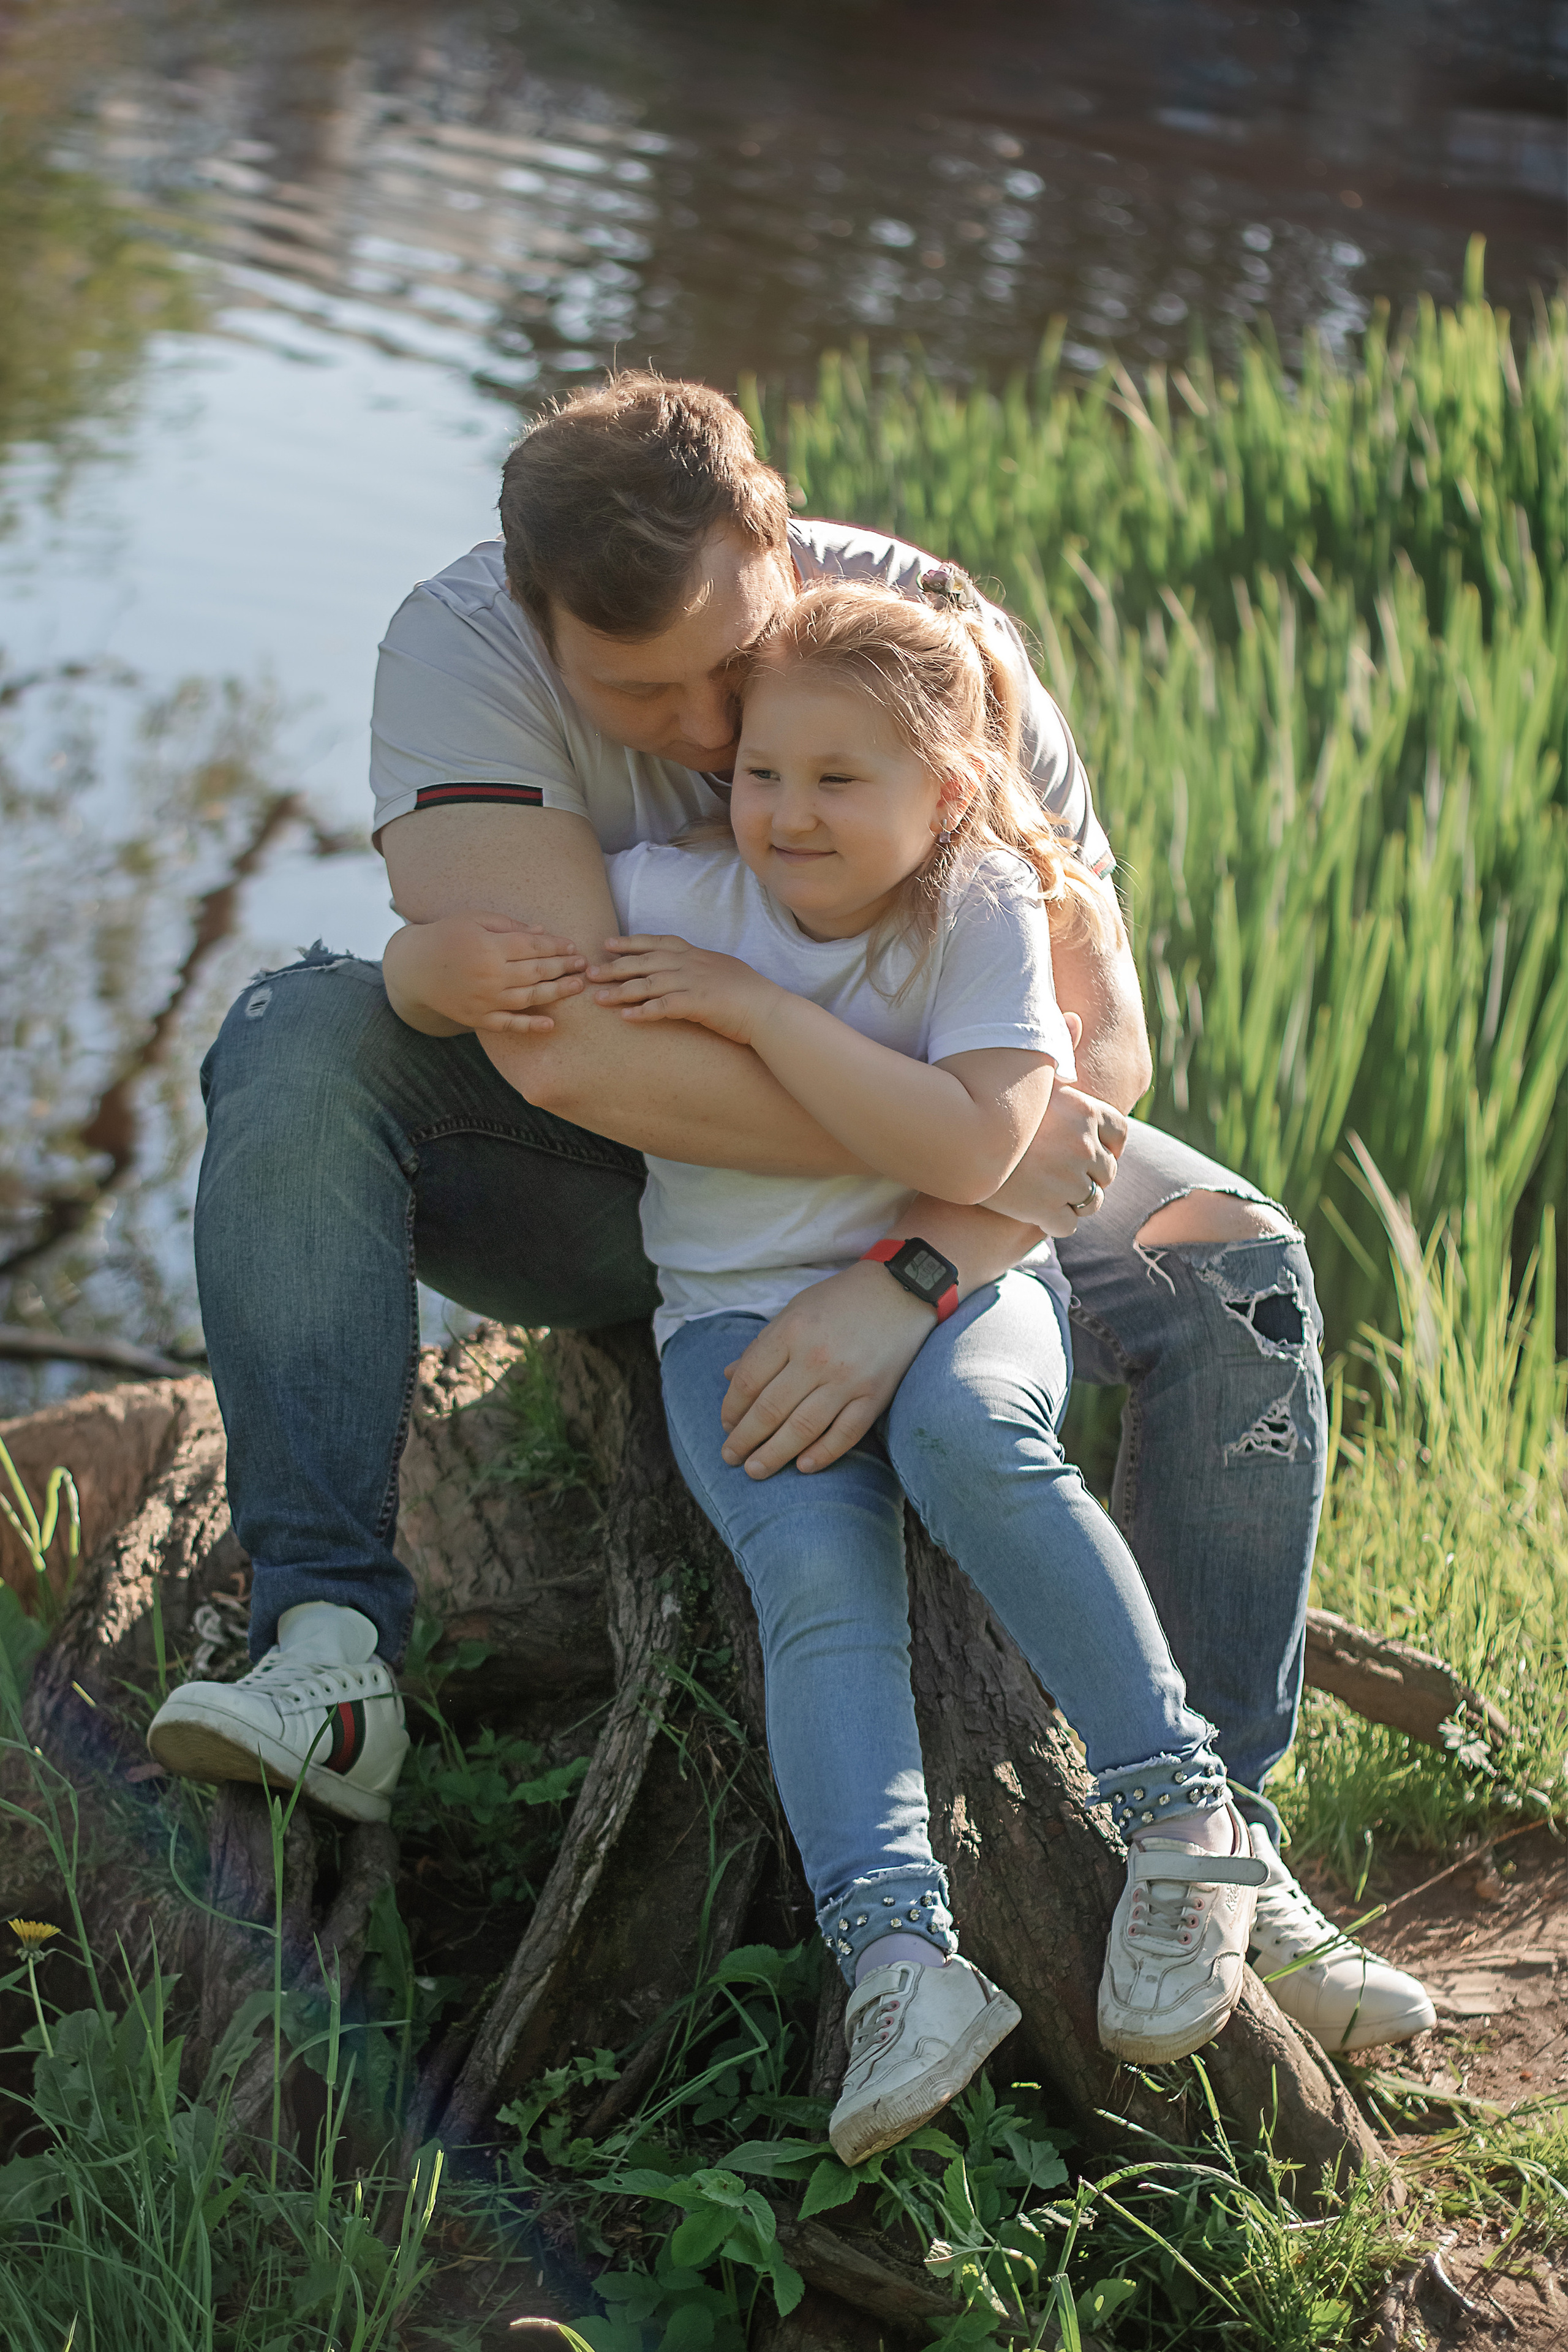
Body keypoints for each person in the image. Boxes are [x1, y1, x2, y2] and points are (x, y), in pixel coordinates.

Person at [146, 371, 1434, 2060]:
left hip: (951, 1156)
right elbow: (576, 1056)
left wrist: (919, 1262)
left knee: (1240, 1270)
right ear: (539, 622)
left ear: (777, 537)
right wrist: (945, 1150)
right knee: (299, 1031)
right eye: (636, 691)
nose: (697, 731)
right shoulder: (461, 649)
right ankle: (327, 1649)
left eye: (727, 666)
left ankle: (1218, 1861)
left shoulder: (922, 639)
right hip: (628, 1183)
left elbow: (1096, 1041)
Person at [383, 571, 1280, 2162]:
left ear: (941, 797)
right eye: (761, 775)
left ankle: (1186, 1818)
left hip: (941, 1281)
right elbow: (473, 964)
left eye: (837, 781)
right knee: (812, 1578)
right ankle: (899, 1963)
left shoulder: (981, 904)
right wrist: (414, 978)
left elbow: (993, 1145)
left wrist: (750, 1015)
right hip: (725, 1316)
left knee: (975, 1444)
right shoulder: (668, 890)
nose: (784, 817)